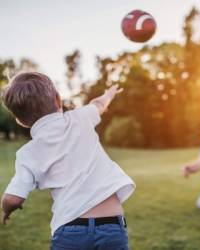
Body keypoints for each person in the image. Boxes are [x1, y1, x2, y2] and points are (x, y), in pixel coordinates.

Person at [1, 72, 135, 249]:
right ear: (58, 99)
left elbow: (13, 198)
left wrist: (6, 210)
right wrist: (108, 95)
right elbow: (98, 105)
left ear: (19, 121)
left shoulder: (28, 153)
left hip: (70, 231)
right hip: (111, 226)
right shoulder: (80, 118)